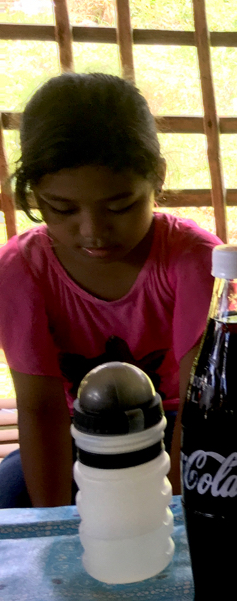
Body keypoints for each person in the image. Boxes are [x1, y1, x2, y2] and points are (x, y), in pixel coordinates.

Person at [0, 73, 221, 508]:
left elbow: (202, 406)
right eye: (61, 208)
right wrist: (53, 526)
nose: (93, 232)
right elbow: (41, 409)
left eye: (120, 206)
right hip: (76, 432)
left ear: (157, 177)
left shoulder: (194, 261)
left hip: (175, 426)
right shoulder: (20, 271)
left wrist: (172, 511)